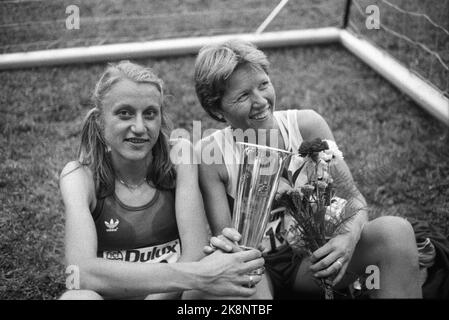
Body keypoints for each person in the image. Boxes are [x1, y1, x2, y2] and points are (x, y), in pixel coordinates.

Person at [193, 39, 422, 299]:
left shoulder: (307, 126)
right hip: (253, 265)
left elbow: (354, 200)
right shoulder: (210, 154)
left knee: (395, 232)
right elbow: (231, 246)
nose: (261, 101)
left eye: (264, 85)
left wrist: (347, 237)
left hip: (310, 261)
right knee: (244, 278)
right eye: (243, 96)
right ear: (216, 109)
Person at [58, 60, 264, 300]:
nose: (139, 127)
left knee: (235, 290)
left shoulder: (179, 157)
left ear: (160, 119)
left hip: (171, 298)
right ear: (99, 121)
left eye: (149, 114)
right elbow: (78, 273)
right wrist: (200, 274)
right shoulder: (78, 176)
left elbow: (195, 253)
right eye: (124, 113)